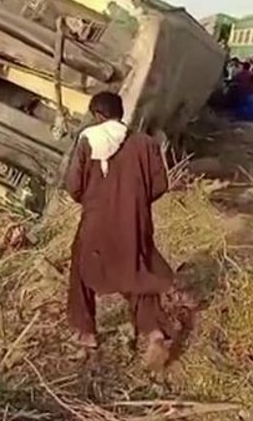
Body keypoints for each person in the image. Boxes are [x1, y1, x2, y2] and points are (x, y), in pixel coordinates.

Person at [64, 92, 172, 369]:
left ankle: (86, 333)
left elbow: (74, 185)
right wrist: (134, 202)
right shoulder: (145, 143)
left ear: (97, 115)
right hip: (134, 220)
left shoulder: (88, 140)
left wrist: (94, 198)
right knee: (138, 270)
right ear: (120, 113)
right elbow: (160, 185)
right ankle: (154, 332)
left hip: (96, 221)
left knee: (81, 270)